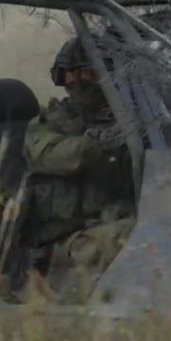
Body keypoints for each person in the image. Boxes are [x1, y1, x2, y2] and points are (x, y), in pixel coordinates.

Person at [20, 36, 135, 294]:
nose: (74, 82)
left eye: (85, 72)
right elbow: (56, 155)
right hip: (64, 245)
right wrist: (95, 143)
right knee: (136, 238)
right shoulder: (49, 122)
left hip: (109, 223)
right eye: (67, 75)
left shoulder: (129, 117)